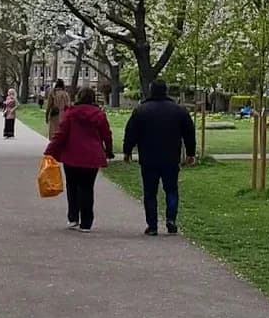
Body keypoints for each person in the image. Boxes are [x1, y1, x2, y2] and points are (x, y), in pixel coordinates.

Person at [122, 80, 196, 236]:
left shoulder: (141, 110)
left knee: (150, 192)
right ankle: (171, 219)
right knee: (171, 189)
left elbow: (131, 133)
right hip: (171, 157)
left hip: (148, 158)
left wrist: (127, 151)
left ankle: (152, 225)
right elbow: (189, 133)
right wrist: (190, 153)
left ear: (151, 91)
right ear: (166, 91)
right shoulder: (179, 111)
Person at [43, 87, 114, 231]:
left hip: (72, 155)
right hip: (92, 156)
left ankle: (73, 217)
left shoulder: (71, 114)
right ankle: (86, 222)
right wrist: (109, 150)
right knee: (87, 188)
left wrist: (49, 151)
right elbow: (107, 134)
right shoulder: (99, 115)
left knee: (72, 187)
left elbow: (61, 134)